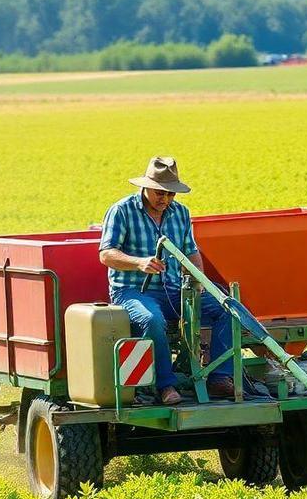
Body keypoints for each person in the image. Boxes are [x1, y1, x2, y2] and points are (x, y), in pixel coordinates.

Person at [98, 156, 235, 406]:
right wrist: (139, 262)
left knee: (226, 307)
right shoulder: (121, 210)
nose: (166, 199)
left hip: (173, 290)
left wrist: (199, 281)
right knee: (152, 319)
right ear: (146, 186)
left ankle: (220, 377)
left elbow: (190, 251)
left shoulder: (181, 213)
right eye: (160, 193)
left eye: (171, 194)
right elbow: (106, 254)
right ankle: (165, 385)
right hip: (131, 291)